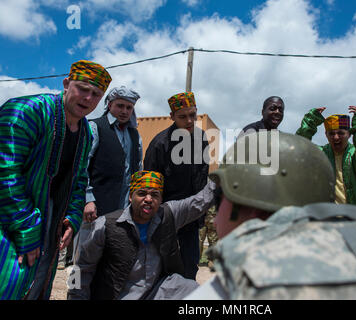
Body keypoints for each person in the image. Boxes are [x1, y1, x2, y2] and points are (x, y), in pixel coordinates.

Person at [0, 60, 111, 299]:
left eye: (96, 94)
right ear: (66, 83)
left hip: (50, 221)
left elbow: (80, 178)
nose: (88, 98)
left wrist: (72, 217)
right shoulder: (26, 111)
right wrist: (27, 228)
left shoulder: (86, 132)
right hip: (12, 220)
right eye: (83, 88)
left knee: (38, 283)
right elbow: (6, 174)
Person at [186, 131, 336, 299]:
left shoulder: (221, 293)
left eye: (219, 198)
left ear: (254, 212)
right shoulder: (345, 272)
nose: (216, 217)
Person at [67, 170, 216, 300]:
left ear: (161, 199)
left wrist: (230, 167)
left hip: (157, 292)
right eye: (142, 193)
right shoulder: (106, 226)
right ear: (131, 197)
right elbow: (81, 269)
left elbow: (202, 200)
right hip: (119, 296)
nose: (149, 199)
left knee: (191, 289)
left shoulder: (168, 215)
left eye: (155, 195)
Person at [143, 92, 209, 280]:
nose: (189, 121)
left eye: (193, 115)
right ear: (172, 117)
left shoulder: (201, 138)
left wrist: (201, 210)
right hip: (166, 215)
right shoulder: (160, 144)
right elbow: (149, 185)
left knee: (190, 265)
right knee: (162, 266)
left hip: (192, 213)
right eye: (183, 116)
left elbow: (202, 176)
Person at [296, 106, 356, 211]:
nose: (336, 137)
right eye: (331, 133)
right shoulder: (321, 154)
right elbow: (298, 150)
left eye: (341, 133)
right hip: (327, 217)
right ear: (326, 135)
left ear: (349, 134)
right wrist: (310, 122)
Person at [84, 86, 143, 221]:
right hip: (96, 208)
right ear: (110, 105)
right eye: (120, 106)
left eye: (129, 108)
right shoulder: (96, 126)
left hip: (126, 209)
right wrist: (88, 200)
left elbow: (139, 168)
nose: (124, 111)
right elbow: (83, 166)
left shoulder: (134, 134)